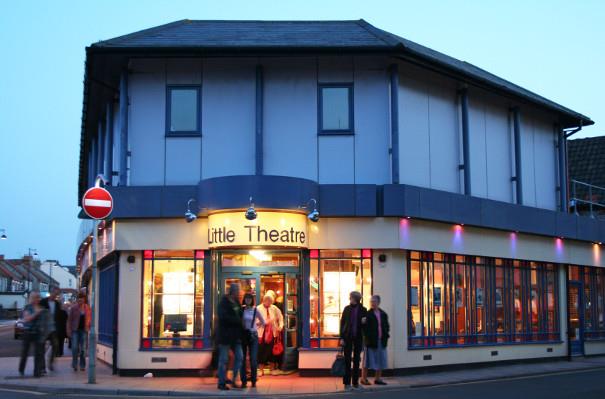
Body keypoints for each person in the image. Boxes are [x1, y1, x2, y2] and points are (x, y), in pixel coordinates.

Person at [217, 283, 244, 391]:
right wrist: (237, 320)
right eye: (238, 291)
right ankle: (221, 382)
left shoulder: (237, 302)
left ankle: (233, 380)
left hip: (236, 335)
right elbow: (223, 317)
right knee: (223, 359)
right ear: (233, 292)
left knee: (240, 356)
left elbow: (240, 314)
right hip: (225, 335)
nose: (239, 293)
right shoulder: (223, 303)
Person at [339, 291, 367, 390]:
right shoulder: (346, 309)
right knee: (347, 361)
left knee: (356, 361)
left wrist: (364, 322)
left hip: (358, 338)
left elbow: (365, 326)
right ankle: (347, 384)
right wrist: (341, 338)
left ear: (355, 299)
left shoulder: (363, 309)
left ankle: (355, 383)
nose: (349, 298)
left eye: (350, 297)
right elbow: (342, 324)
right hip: (347, 337)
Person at [360, 295, 390, 386]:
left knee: (381, 359)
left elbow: (386, 326)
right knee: (367, 361)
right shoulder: (367, 314)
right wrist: (363, 323)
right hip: (371, 341)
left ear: (378, 302)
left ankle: (378, 379)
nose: (372, 303)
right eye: (371, 301)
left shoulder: (383, 314)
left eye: (374, 301)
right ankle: (363, 379)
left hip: (381, 340)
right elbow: (363, 328)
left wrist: (385, 335)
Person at [18, 291, 47, 378]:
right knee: (25, 353)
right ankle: (21, 370)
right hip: (28, 332)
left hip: (38, 333)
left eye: (38, 297)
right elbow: (27, 319)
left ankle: (37, 372)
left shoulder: (41, 308)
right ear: (31, 298)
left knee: (38, 353)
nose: (37, 299)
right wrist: (36, 313)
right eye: (35, 297)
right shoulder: (27, 307)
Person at [256, 290, 284, 376]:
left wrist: (280, 326)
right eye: (267, 300)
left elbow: (281, 317)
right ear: (264, 300)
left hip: (272, 333)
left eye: (270, 301)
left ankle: (272, 369)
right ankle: (261, 370)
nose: (269, 303)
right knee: (261, 351)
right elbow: (254, 321)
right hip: (261, 333)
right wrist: (264, 322)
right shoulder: (258, 308)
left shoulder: (274, 308)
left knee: (272, 351)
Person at [240, 293, 265, 388]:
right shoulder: (242, 309)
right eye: (246, 299)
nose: (248, 300)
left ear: (252, 300)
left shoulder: (255, 309)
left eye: (249, 299)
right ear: (244, 300)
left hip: (253, 335)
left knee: (253, 359)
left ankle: (253, 380)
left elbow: (263, 322)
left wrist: (255, 328)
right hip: (243, 335)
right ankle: (243, 381)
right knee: (242, 359)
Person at [67, 293, 91, 372]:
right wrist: (69, 330)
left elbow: (90, 318)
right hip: (75, 330)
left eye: (82, 298)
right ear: (77, 300)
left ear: (84, 299)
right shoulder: (73, 308)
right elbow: (69, 320)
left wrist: (89, 326)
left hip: (84, 330)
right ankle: (74, 364)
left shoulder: (87, 308)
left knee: (83, 349)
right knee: (74, 348)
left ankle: (82, 365)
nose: (80, 300)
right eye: (79, 298)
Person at [40, 287, 61, 371]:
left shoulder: (57, 303)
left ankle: (50, 362)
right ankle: (42, 366)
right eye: (54, 294)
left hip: (53, 328)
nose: (55, 296)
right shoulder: (43, 302)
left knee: (55, 345)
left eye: (57, 294)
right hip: (44, 328)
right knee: (41, 347)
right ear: (51, 293)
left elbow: (59, 316)